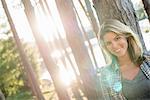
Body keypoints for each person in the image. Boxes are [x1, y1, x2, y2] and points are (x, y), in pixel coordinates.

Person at [97, 19, 150, 100]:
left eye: (117, 38)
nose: (114, 46)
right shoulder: (106, 74)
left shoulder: (147, 59)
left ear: (126, 37)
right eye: (109, 43)